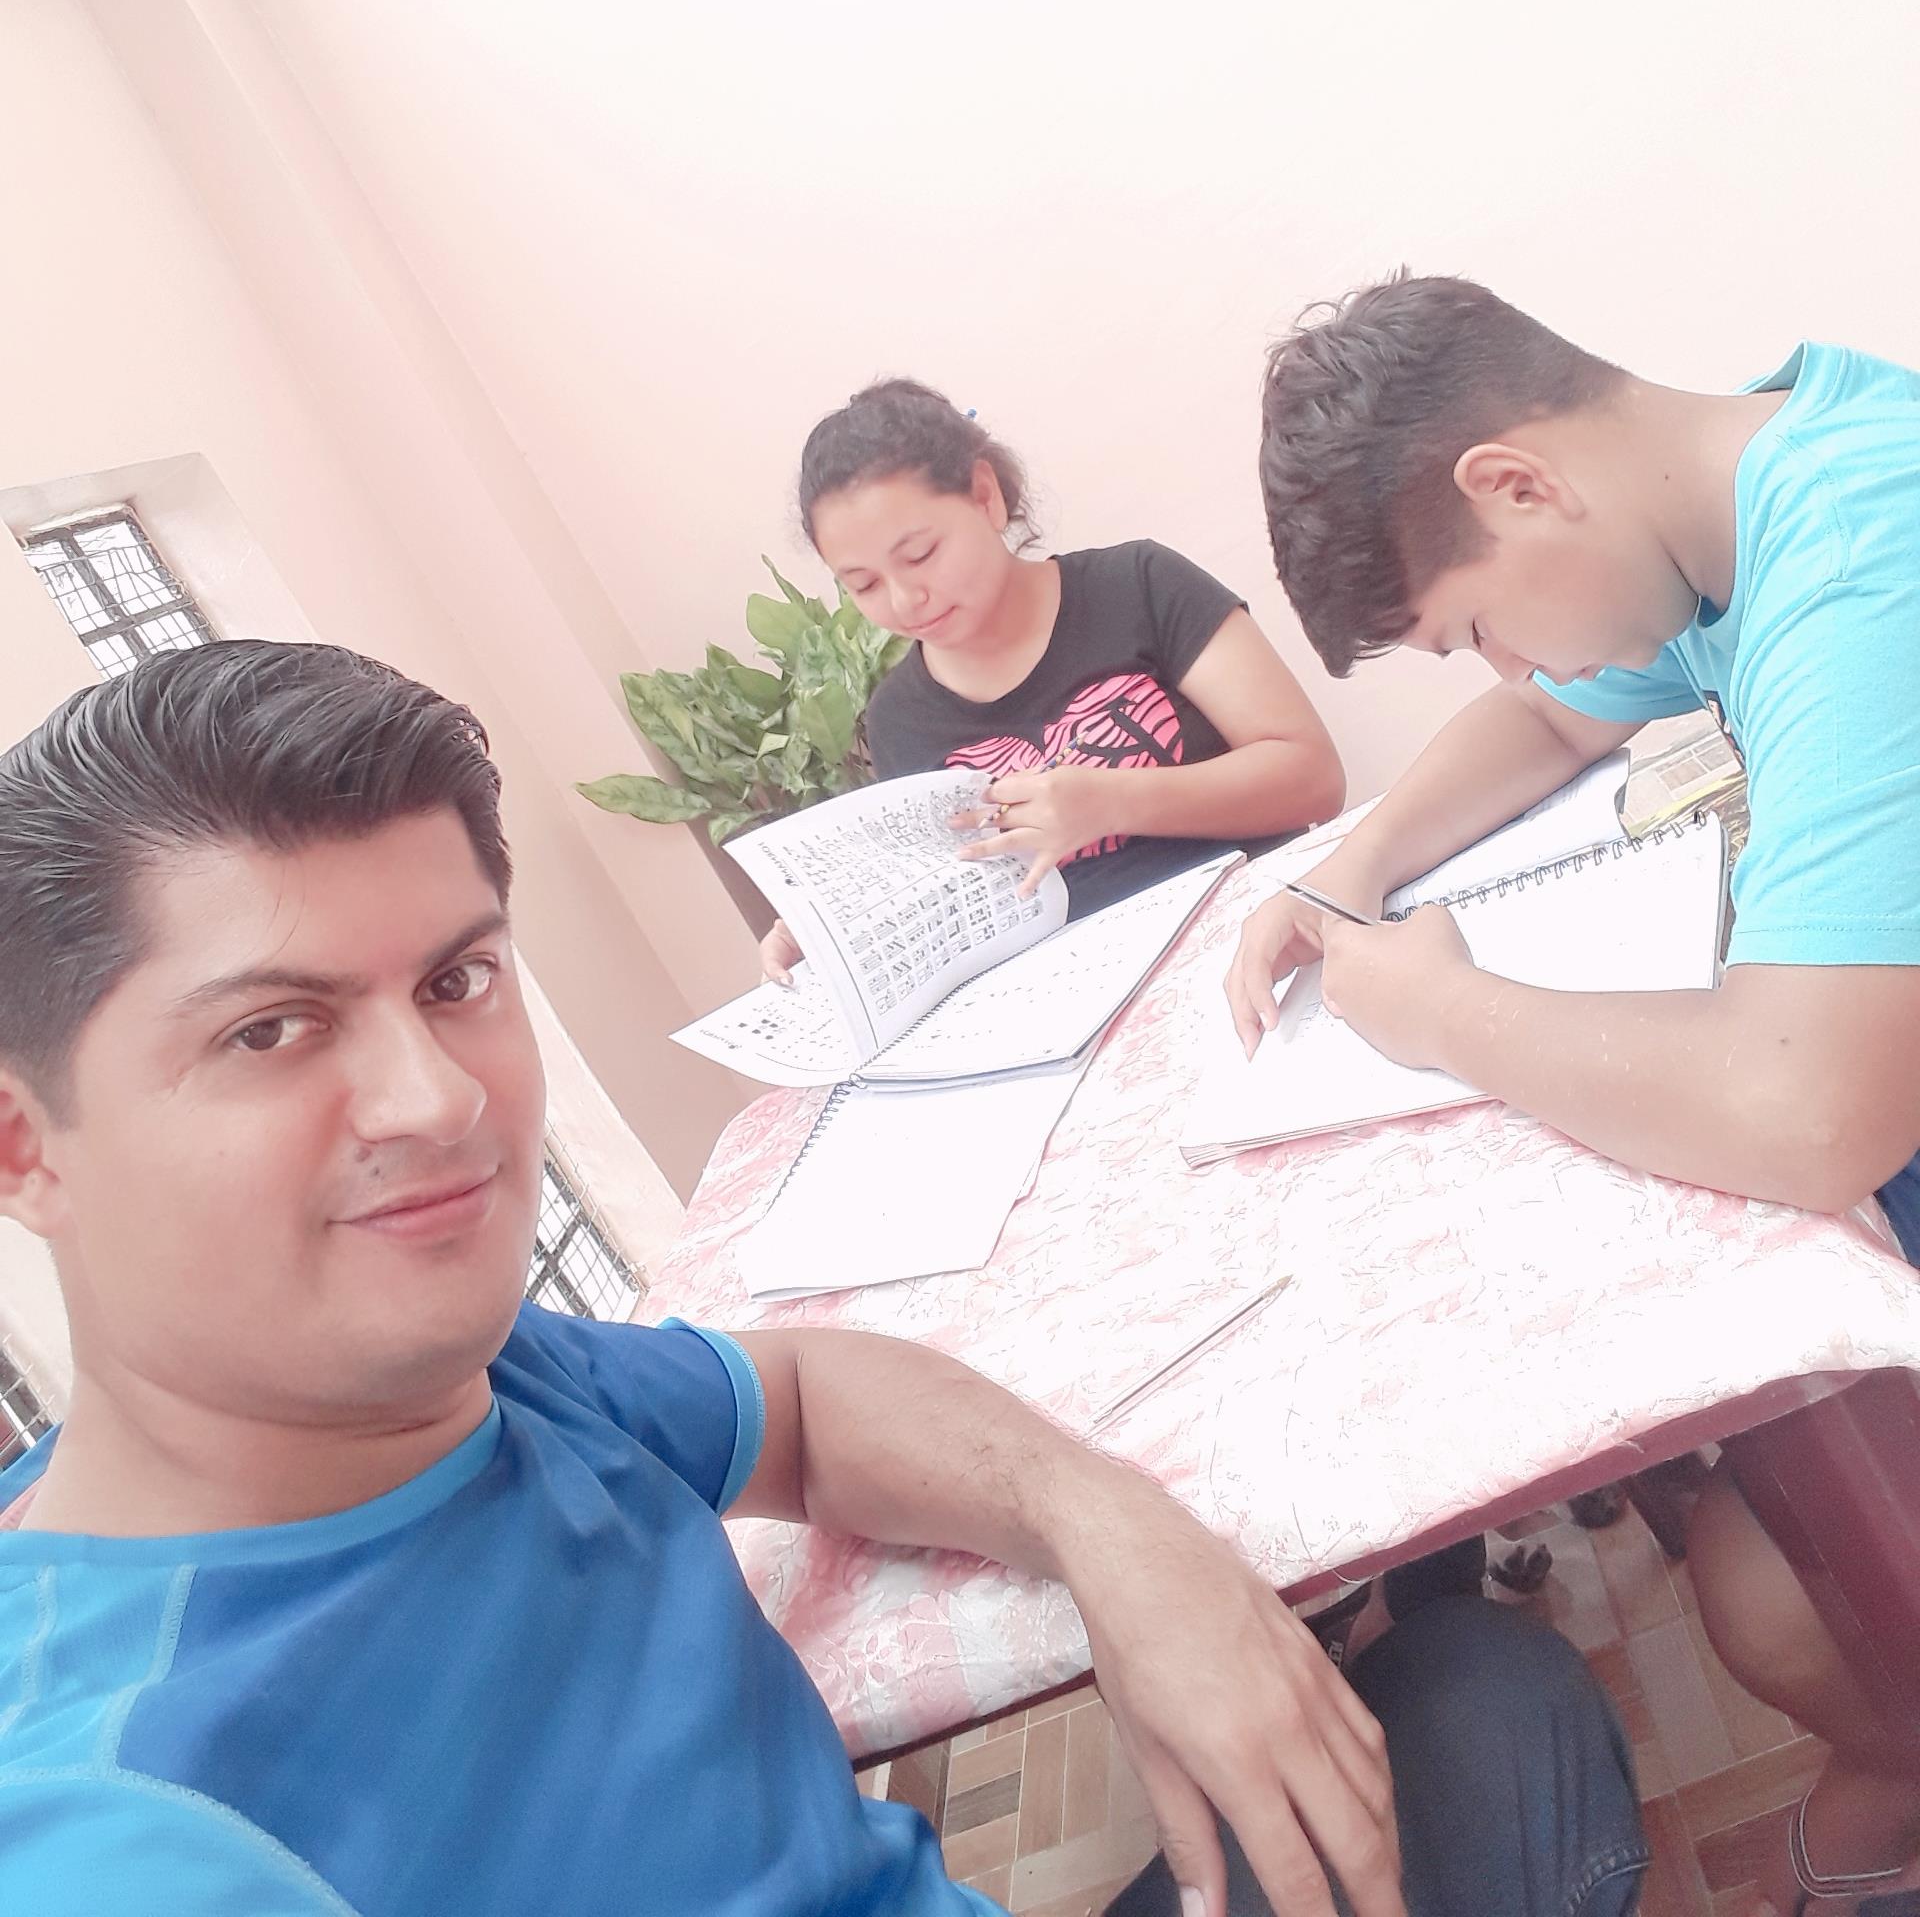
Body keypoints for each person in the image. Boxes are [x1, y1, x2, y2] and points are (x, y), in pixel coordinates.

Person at [0, 640, 1645, 1917]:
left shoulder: (473, 1380)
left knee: (1479, 1704)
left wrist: (1116, 1536)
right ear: (24, 1148)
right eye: (269, 1031)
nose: (434, 1102)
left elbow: (800, 1396)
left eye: (456, 981)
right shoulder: (125, 1831)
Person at [1230, 273, 1920, 1915]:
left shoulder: (1861, 560)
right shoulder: (1724, 499)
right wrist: (1347, 874)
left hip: (1866, 1116)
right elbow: (1547, 720)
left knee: (1775, 1588)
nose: (1508, 661)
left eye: (1474, 623)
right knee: (1746, 1487)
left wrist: (1442, 1013)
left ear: (1518, 483)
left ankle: (1897, 1758)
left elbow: (1808, 1114)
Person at [760, 378, 1344, 983]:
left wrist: (1114, 802)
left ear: (985, 496)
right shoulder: (898, 719)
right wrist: (835, 929)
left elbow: (1313, 778)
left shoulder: (1140, 585)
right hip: (1080, 996)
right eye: (864, 585)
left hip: (1261, 946)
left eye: (920, 555)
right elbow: (958, 905)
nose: (906, 600)